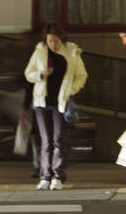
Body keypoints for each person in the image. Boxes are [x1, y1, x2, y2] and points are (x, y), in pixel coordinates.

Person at [25, 24, 87, 191]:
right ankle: (45, 176)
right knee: (45, 141)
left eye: (56, 41)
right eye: (50, 41)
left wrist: (72, 90)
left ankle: (57, 175)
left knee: (58, 140)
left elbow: (82, 75)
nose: (53, 44)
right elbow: (28, 73)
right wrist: (41, 74)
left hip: (60, 102)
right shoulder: (39, 51)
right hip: (41, 101)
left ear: (62, 39)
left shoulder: (72, 53)